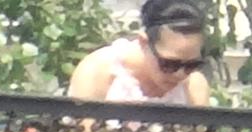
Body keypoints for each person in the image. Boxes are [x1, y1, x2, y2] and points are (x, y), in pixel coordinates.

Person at [67, 0, 213, 106]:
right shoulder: (98, 72)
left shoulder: (194, 86)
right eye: (170, 64)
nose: (180, 74)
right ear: (144, 43)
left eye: (192, 65)